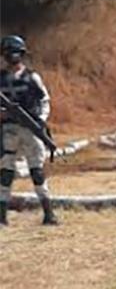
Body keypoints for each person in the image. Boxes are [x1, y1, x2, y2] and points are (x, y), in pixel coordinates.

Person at [0, 35, 58, 226]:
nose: (11, 57)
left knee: (37, 171)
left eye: (15, 53)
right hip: (9, 130)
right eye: (8, 53)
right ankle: (2, 216)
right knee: (6, 172)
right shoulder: (1, 79)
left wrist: (40, 120)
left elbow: (44, 101)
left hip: (30, 128)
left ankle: (49, 214)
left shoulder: (32, 77)